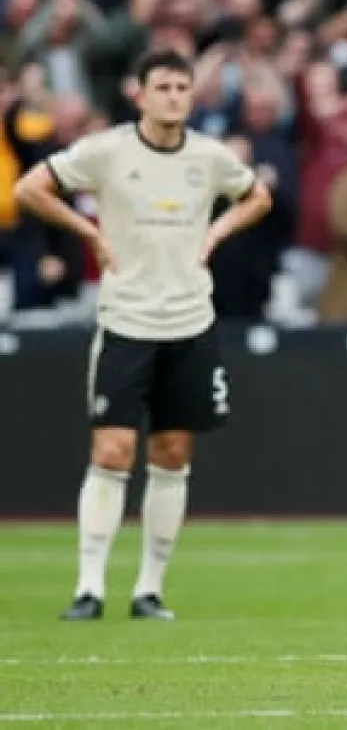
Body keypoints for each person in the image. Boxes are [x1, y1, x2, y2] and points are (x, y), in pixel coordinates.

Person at [13, 50, 273, 621]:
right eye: (163, 86)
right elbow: (31, 188)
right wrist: (89, 232)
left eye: (183, 86)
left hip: (189, 322)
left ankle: (149, 589)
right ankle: (89, 587)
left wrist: (215, 234)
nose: (174, 95)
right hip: (127, 320)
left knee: (173, 452)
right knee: (112, 449)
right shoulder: (108, 151)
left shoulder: (209, 156)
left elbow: (257, 196)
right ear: (141, 94)